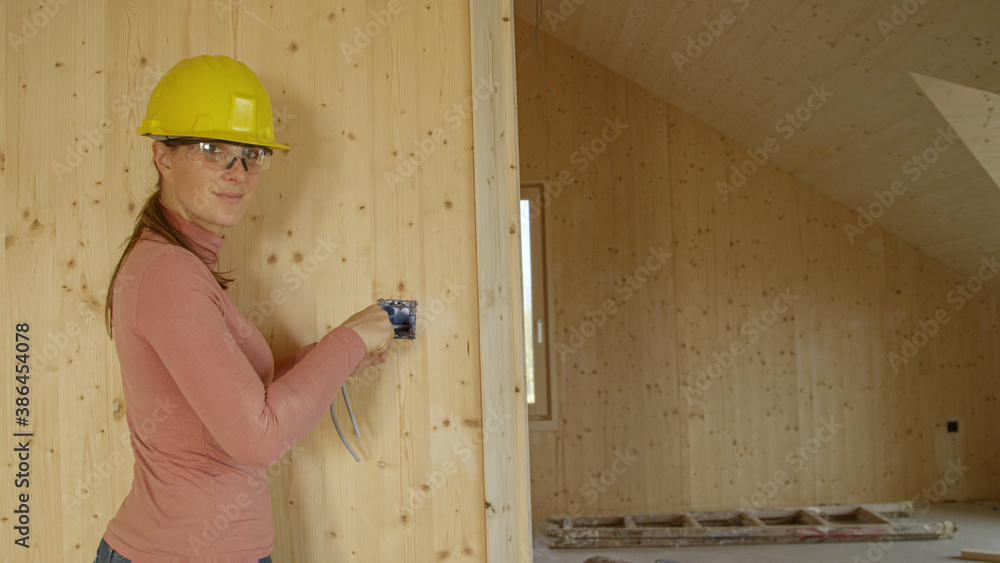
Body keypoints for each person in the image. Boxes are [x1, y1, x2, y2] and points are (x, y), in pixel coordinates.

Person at [94, 55, 394, 562]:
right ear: (163, 155)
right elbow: (257, 437)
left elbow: (244, 397)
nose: (239, 173)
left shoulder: (176, 266)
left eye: (251, 153)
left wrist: (336, 352)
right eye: (214, 151)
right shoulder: (168, 273)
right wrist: (349, 343)